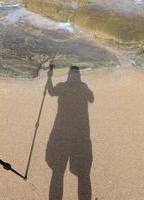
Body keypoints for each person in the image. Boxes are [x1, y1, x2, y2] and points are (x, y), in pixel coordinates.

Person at [46, 66, 94, 200]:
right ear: (78, 76)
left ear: (68, 75)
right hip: (81, 133)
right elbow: (92, 98)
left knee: (58, 170)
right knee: (83, 173)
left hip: (62, 131)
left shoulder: (63, 86)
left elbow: (50, 91)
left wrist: (49, 77)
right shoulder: (83, 88)